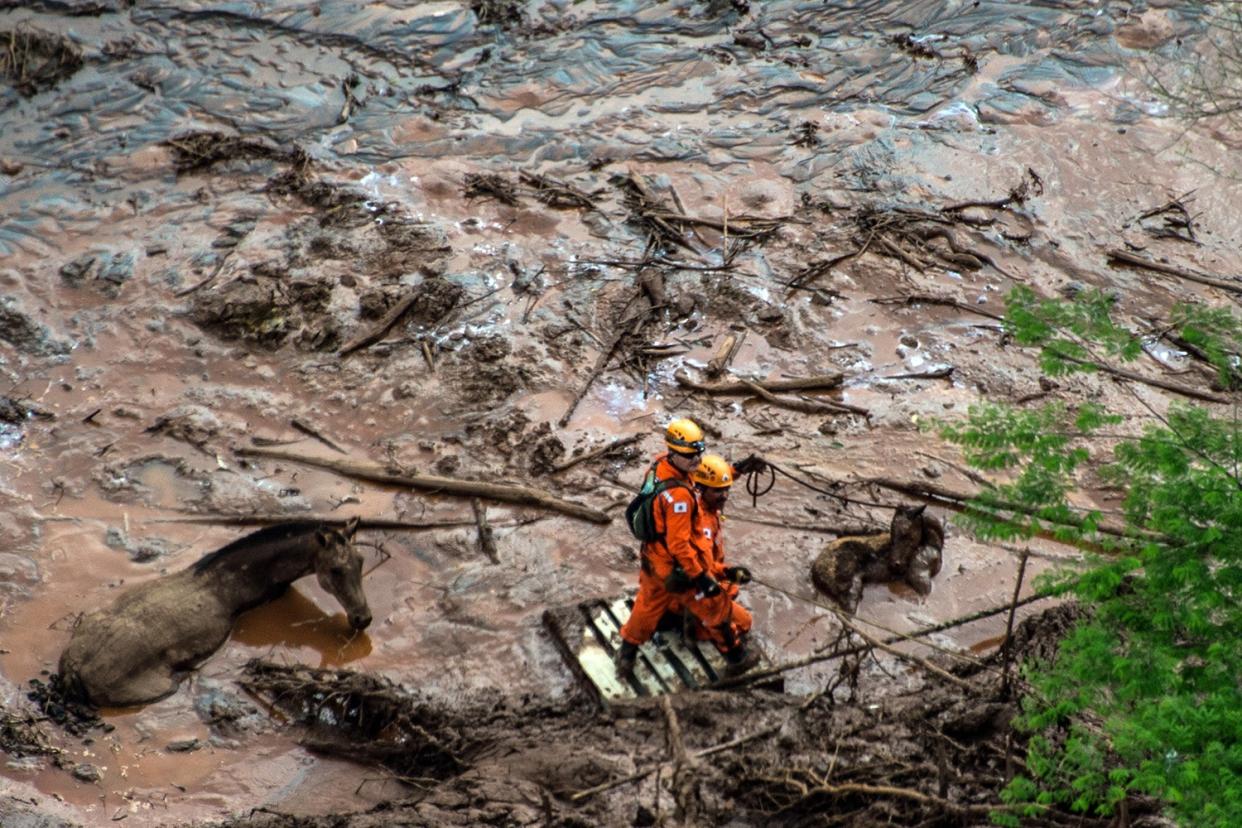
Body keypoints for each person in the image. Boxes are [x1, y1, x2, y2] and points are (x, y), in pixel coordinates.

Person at [615, 418, 722, 676]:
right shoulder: (680, 499)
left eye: (699, 453)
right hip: (665, 563)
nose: (696, 461)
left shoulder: (660, 465)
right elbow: (679, 545)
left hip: (652, 552)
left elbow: (702, 474)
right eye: (690, 456)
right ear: (675, 452)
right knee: (649, 605)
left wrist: (732, 471)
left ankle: (671, 622)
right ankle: (627, 651)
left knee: (657, 600)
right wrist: (700, 576)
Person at [683, 453, 758, 677]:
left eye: (727, 489)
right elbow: (701, 569)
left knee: (731, 590)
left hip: (706, 571)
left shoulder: (697, 493)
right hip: (697, 582)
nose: (725, 496)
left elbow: (715, 480)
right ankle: (729, 654)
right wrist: (726, 574)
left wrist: (739, 469)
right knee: (742, 622)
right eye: (719, 491)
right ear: (701, 489)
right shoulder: (701, 524)